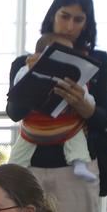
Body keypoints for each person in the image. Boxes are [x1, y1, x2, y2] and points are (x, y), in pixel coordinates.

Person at [6, 0, 107, 212]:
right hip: (31, 165)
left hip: (76, 168)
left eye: (78, 19)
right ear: (53, 15)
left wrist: (81, 103)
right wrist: (32, 82)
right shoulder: (25, 62)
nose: (69, 25)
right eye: (64, 16)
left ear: (87, 24)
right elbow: (14, 113)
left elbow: (103, 119)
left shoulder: (97, 61)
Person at [9, 33, 97, 182]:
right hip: (35, 124)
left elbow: (86, 96)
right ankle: (13, 170)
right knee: (20, 150)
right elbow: (17, 89)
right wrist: (29, 71)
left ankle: (80, 164)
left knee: (77, 140)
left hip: (66, 123)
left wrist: (84, 100)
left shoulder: (73, 75)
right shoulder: (25, 68)